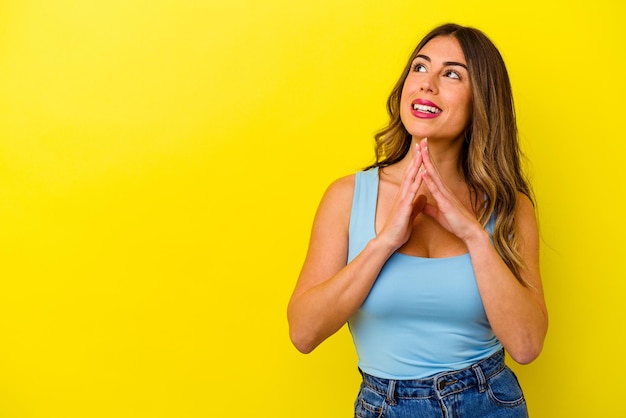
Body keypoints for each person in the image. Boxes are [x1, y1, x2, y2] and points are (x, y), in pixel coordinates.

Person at [287, 23, 548, 417]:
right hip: (386, 406)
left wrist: (474, 236)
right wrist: (384, 243)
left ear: (481, 103)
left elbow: (527, 345)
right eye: (420, 67)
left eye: (452, 74)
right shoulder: (347, 197)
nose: (427, 84)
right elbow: (303, 334)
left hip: (490, 401)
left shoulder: (510, 207)